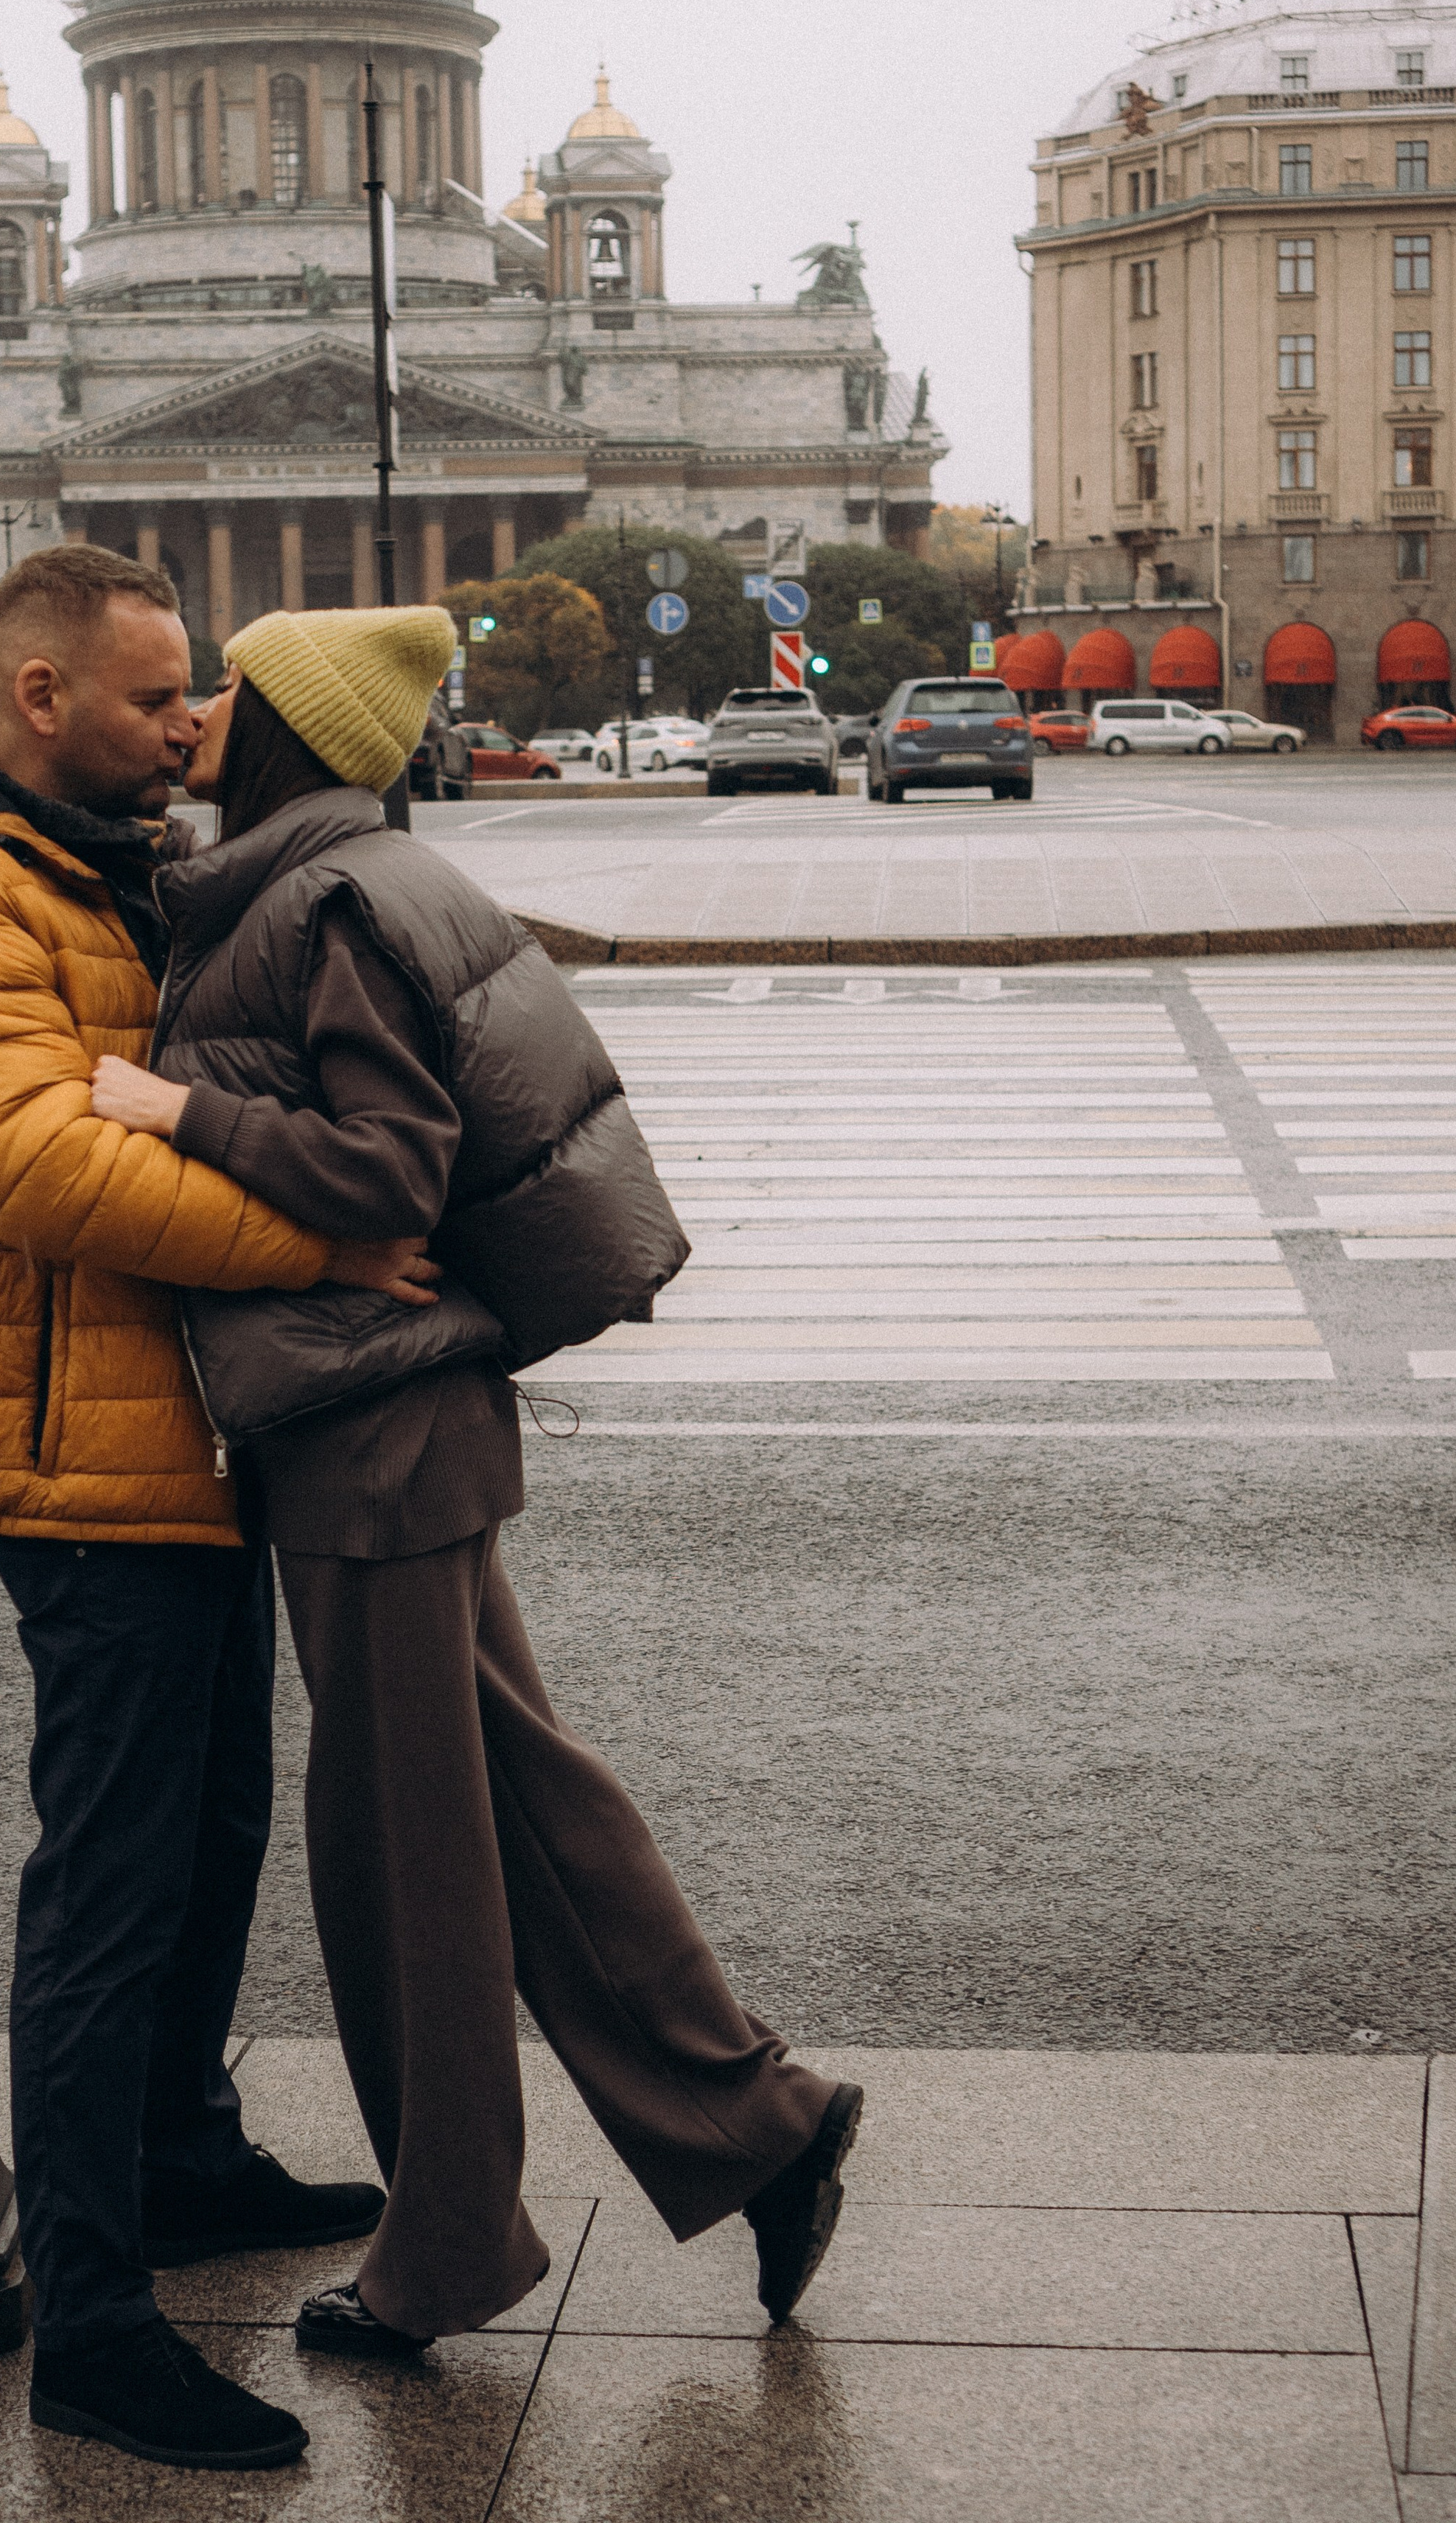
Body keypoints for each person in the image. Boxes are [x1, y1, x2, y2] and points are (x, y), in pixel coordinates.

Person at [90, 603, 863, 2358]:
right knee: (521, 1807)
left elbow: (387, 1165)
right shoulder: (351, 876)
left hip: (368, 1431)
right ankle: (758, 2123)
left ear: (288, 725)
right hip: (398, 1426)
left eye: (231, 686)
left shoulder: (324, 902)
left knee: (402, 1863)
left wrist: (169, 1115)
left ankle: (442, 2252)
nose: (201, 706)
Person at [0, 545, 444, 2475]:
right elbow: (36, 1170)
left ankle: (179, 2159)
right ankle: (93, 2321)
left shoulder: (87, 854)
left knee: (208, 1833)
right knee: (110, 1886)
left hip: (169, 1423)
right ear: (34, 699)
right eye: (158, 697)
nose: (196, 726)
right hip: (72, 1450)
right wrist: (333, 1234)